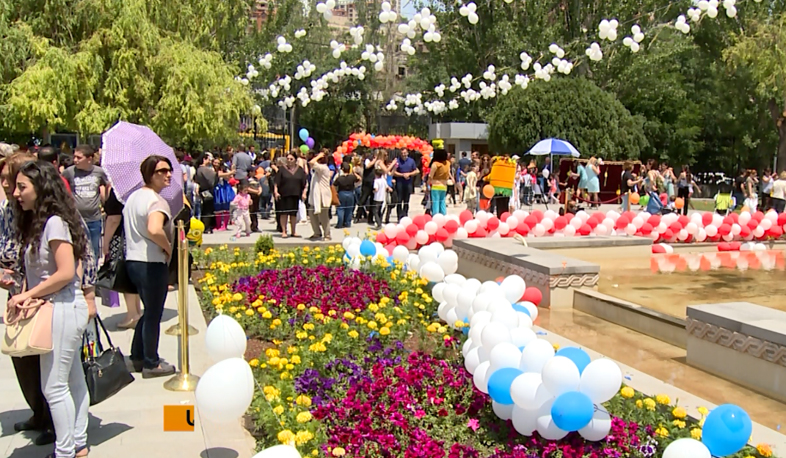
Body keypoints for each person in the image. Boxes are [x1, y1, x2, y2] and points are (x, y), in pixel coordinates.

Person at [9, 161, 92, 458]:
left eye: (22, 187)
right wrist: (26, 292)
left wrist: (28, 294)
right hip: (58, 308)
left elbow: (66, 271)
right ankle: (77, 444)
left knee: (54, 387)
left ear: (40, 188)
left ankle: (66, 450)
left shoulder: (55, 222)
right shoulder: (40, 222)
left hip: (63, 309)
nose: (16, 193)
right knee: (72, 381)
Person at [0, 152, 56, 447]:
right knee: (22, 357)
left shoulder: (52, 217)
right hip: (18, 296)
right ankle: (37, 412)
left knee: (45, 360)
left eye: (15, 181)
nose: (10, 187)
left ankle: (52, 419)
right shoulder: (10, 209)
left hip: (42, 299)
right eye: (7, 180)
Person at [123, 155, 176, 379]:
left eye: (169, 170)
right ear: (148, 174)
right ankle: (151, 362)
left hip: (133, 260)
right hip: (150, 262)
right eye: (161, 171)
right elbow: (155, 229)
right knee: (154, 314)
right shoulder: (156, 201)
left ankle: (137, 355)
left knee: (148, 312)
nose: (167, 175)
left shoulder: (133, 198)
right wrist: (168, 248)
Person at [103, 188, 142, 328]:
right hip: (136, 237)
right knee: (132, 275)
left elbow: (114, 219)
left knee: (123, 274)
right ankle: (136, 311)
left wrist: (105, 242)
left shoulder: (119, 191)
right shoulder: (138, 190)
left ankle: (132, 314)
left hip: (121, 237)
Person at [63, 145, 108, 263]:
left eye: (79, 157)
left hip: (94, 218)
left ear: (89, 159)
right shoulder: (69, 172)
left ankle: (92, 276)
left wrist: (105, 202)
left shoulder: (99, 172)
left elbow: (105, 186)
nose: (75, 160)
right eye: (74, 157)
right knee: (77, 250)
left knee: (93, 251)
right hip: (76, 219)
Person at [274, 151, 308, 238]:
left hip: (295, 195)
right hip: (284, 195)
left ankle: (293, 231)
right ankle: (284, 231)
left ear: (295, 160)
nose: (289, 160)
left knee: (293, 214)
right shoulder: (282, 169)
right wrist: (276, 192)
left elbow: (305, 183)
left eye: (291, 159)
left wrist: (304, 193)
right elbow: (276, 182)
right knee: (284, 214)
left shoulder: (300, 170)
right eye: (288, 159)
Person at [308, 150, 333, 241]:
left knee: (323, 217)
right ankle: (317, 232)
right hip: (315, 195)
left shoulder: (323, 168)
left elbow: (311, 162)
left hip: (322, 195)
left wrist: (319, 156)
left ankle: (327, 234)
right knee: (312, 213)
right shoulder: (319, 168)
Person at [355, 150, 383, 224]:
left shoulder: (379, 161)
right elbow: (367, 166)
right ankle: (357, 216)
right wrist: (374, 160)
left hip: (375, 183)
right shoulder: (368, 159)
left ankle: (370, 218)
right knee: (363, 200)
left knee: (372, 201)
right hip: (367, 183)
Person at [392, 148, 419, 221]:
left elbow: (416, 171)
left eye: (405, 153)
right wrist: (402, 175)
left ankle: (405, 215)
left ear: (407, 153)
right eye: (402, 153)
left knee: (407, 201)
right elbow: (393, 172)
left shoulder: (411, 161)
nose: (403, 154)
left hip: (408, 183)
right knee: (399, 201)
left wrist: (409, 174)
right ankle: (399, 217)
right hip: (399, 183)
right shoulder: (397, 161)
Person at [195, 153, 218, 233]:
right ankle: (206, 227)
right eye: (208, 159)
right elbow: (214, 176)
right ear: (204, 159)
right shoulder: (204, 169)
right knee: (207, 210)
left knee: (205, 209)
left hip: (203, 191)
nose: (210, 161)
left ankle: (206, 226)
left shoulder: (199, 169)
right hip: (206, 191)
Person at [334, 162, 360, 228]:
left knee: (340, 208)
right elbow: (359, 178)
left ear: (342, 169)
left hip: (341, 193)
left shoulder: (339, 178)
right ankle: (348, 223)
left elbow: (334, 185)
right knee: (349, 209)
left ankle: (340, 223)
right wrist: (354, 173)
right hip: (350, 193)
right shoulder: (352, 177)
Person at [429, 149, 451, 216]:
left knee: (435, 203)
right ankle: (443, 216)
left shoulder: (435, 164)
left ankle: (436, 217)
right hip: (444, 186)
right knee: (442, 202)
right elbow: (448, 173)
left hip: (435, 185)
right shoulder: (448, 163)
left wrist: (427, 184)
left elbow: (430, 176)